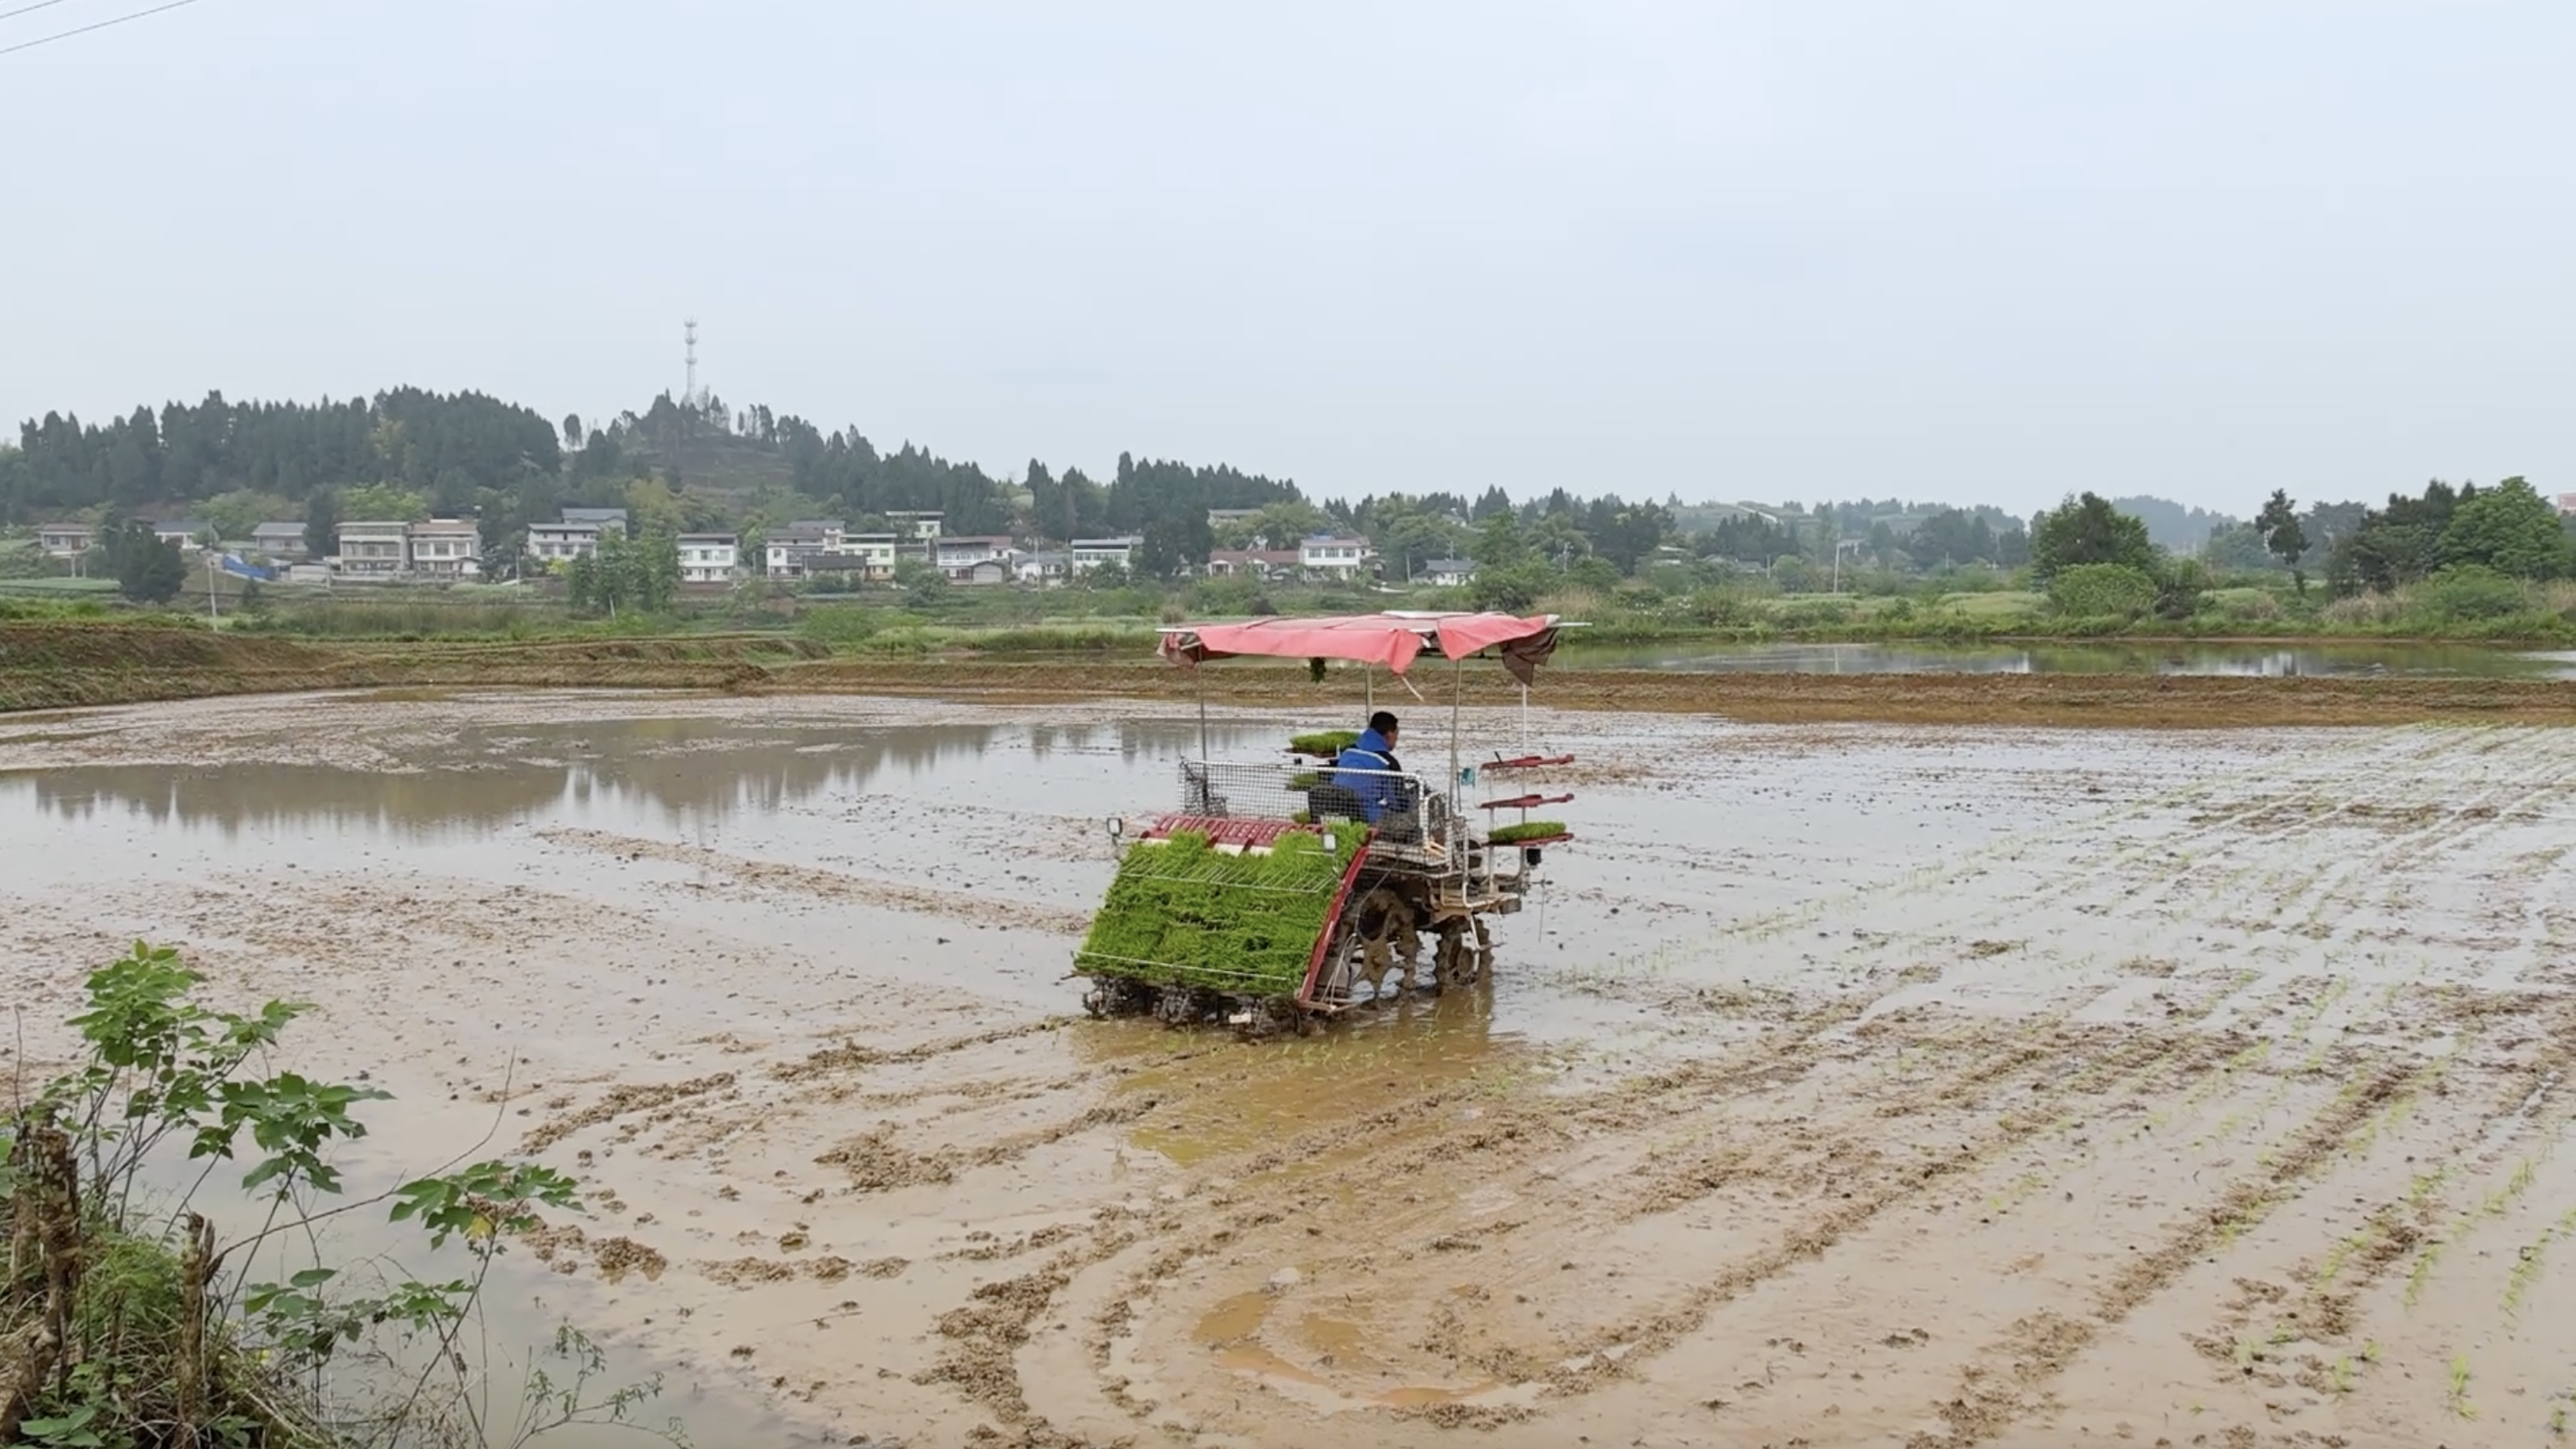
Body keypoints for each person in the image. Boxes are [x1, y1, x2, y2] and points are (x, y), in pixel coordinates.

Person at [1333, 711, 1416, 828]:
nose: (1396, 740)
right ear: (1390, 735)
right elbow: (1398, 804)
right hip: (1368, 818)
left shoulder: (1346, 752)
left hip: (1339, 813)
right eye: (1397, 735)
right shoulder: (1387, 762)